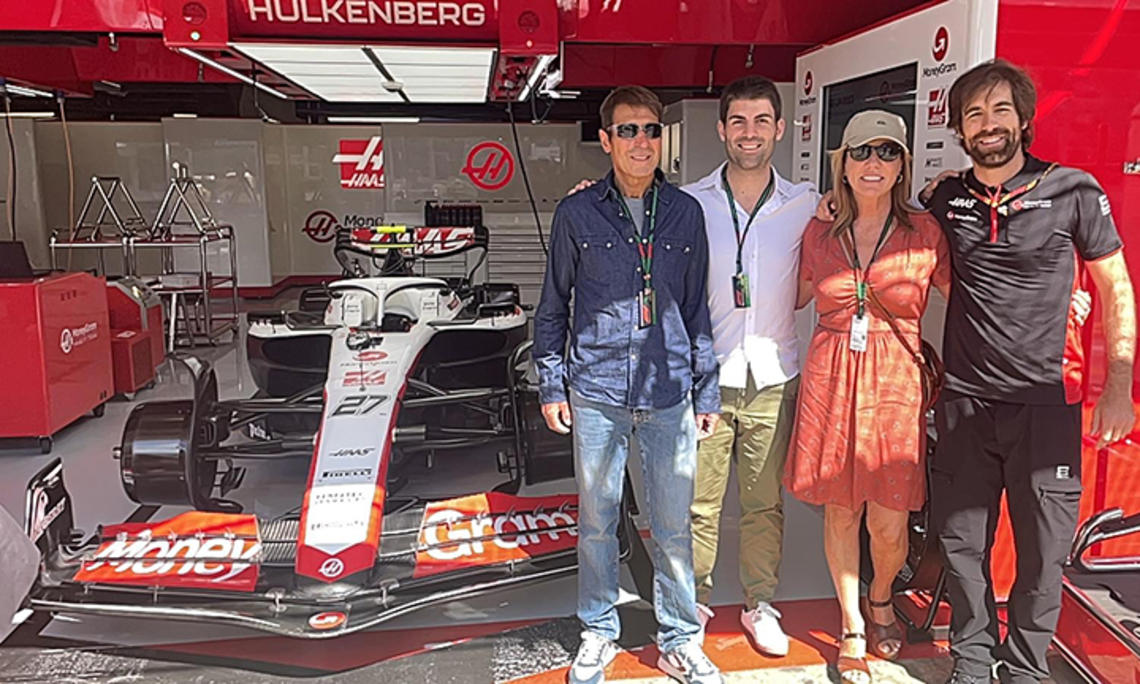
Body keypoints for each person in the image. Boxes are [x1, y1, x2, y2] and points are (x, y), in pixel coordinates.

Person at [916, 59, 1136, 684]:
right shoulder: (946, 195)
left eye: (1000, 110)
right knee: (961, 546)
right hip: (965, 401)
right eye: (975, 114)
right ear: (960, 127)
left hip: (1047, 403)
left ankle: (1027, 667)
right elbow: (911, 249)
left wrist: (1116, 387)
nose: (988, 124)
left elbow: (1115, 289)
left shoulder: (1075, 190)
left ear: (1024, 120)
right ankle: (972, 659)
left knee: (1042, 553)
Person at [533, 85, 723, 684]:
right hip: (596, 391)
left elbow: (696, 310)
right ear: (607, 140)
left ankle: (681, 638)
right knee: (598, 522)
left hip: (668, 395)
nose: (642, 142)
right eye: (629, 131)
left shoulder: (686, 213)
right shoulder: (577, 213)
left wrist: (706, 388)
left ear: (661, 138)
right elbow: (552, 305)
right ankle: (597, 629)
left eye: (650, 130)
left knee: (671, 524)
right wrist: (552, 384)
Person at [787, 110, 950, 683]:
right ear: (844, 164)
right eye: (861, 153)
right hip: (831, 378)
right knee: (840, 508)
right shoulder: (818, 231)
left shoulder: (926, 232)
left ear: (903, 163)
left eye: (886, 152)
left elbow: (976, 291)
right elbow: (794, 295)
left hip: (894, 384)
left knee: (889, 518)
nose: (873, 163)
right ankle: (854, 621)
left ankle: (882, 594)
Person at [680, 76, 818, 655]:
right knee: (699, 505)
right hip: (706, 377)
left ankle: (760, 604)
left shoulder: (806, 203)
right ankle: (695, 604)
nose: (750, 132)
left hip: (772, 376)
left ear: (779, 129)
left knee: (764, 504)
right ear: (721, 130)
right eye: (738, 121)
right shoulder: (689, 201)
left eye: (762, 121)